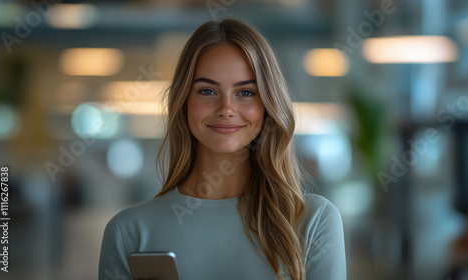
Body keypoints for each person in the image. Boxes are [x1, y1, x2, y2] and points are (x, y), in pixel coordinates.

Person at [99, 18, 346, 280]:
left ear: (268, 105)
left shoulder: (314, 221)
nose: (226, 109)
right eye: (207, 91)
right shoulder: (128, 232)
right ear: (184, 102)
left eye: (246, 92)